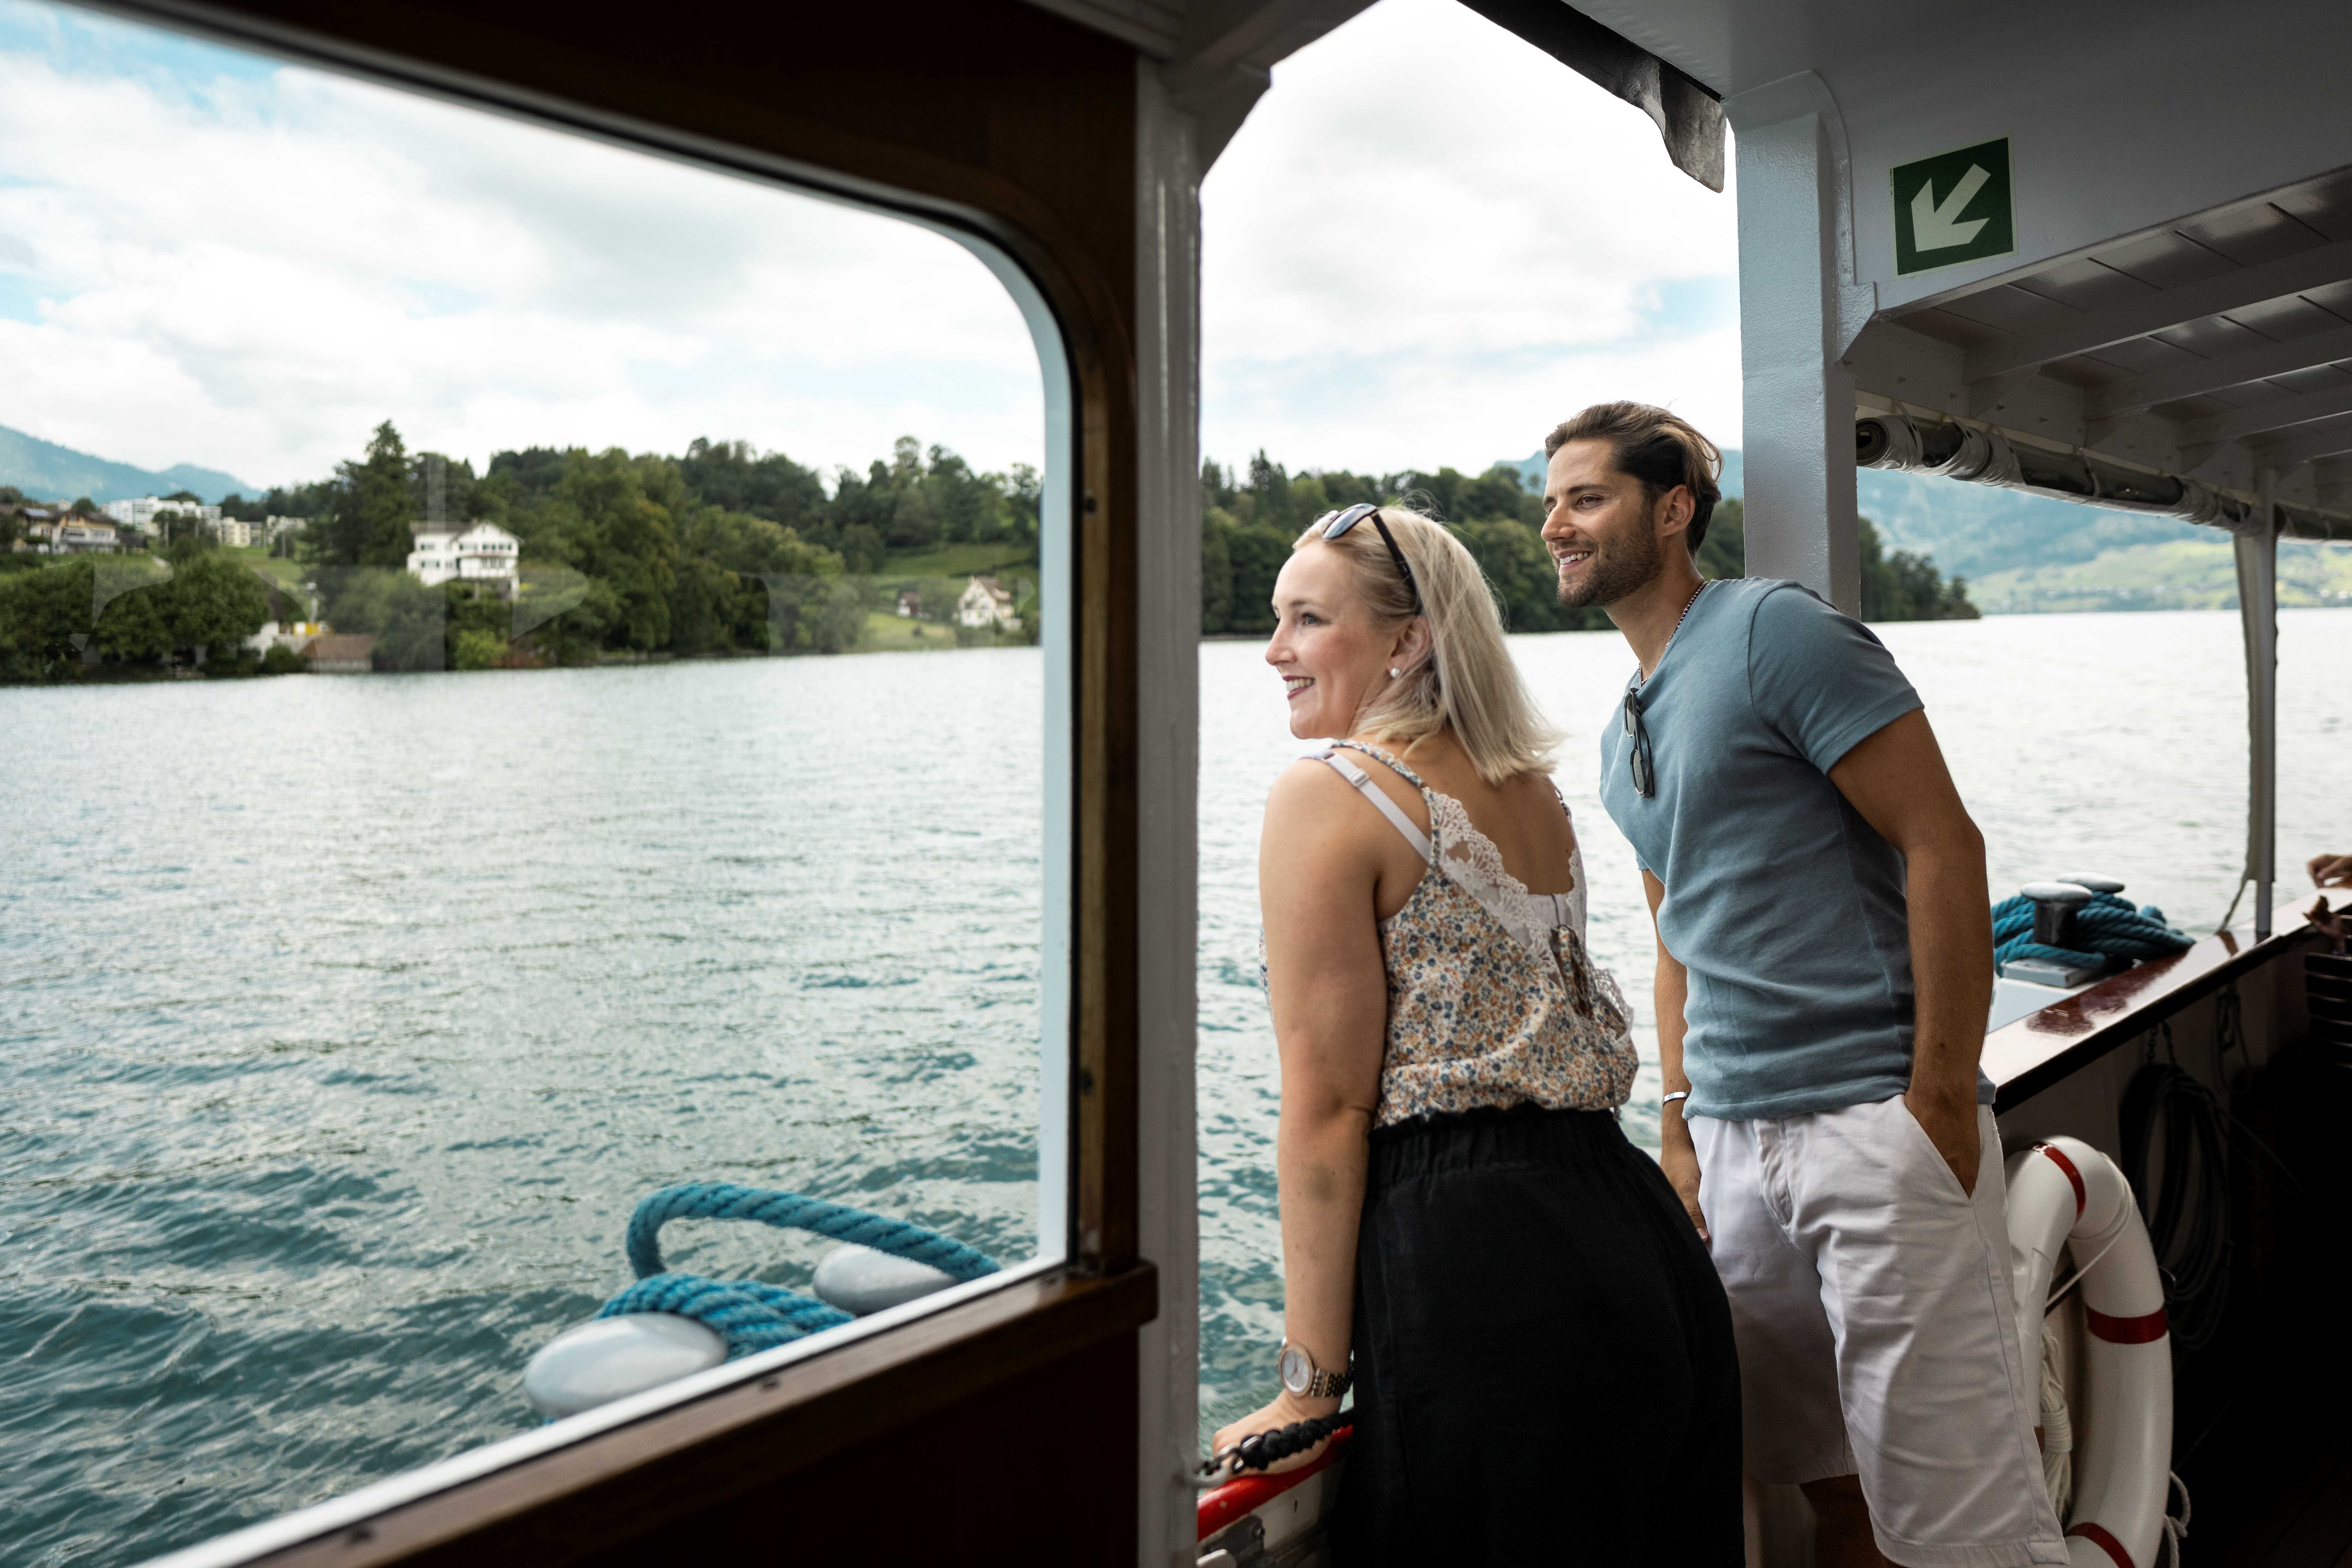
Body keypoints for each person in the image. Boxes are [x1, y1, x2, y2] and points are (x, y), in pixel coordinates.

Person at [1543, 402, 2066, 1568]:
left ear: (1672, 510)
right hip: (1734, 1147)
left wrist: (1936, 1103)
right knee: (1826, 1489)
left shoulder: (1773, 631)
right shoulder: (1621, 733)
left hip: (1868, 1124)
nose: (1554, 525)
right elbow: (1676, 938)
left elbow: (1942, 842)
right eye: (1550, 503)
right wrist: (1678, 1128)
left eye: (1586, 497)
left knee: (1959, 1523)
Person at [1209, 501, 1743, 1565]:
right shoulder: (1532, 793)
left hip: (1478, 1267)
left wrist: (1306, 1386)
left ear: (1406, 641)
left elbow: (1328, 1108)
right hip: (1630, 1232)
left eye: (1308, 619)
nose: (1274, 651)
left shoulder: (1327, 795)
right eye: (1277, 619)